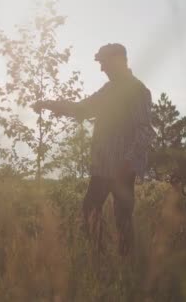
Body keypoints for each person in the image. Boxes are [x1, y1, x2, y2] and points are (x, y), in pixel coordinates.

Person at [34, 43, 154, 256]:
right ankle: (100, 261)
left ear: (117, 60)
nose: (102, 69)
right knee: (90, 210)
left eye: (104, 63)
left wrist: (128, 163)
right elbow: (82, 108)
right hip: (102, 168)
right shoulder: (109, 90)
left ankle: (125, 271)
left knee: (122, 220)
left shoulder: (138, 91)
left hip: (122, 169)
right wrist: (49, 104)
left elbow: (145, 131)